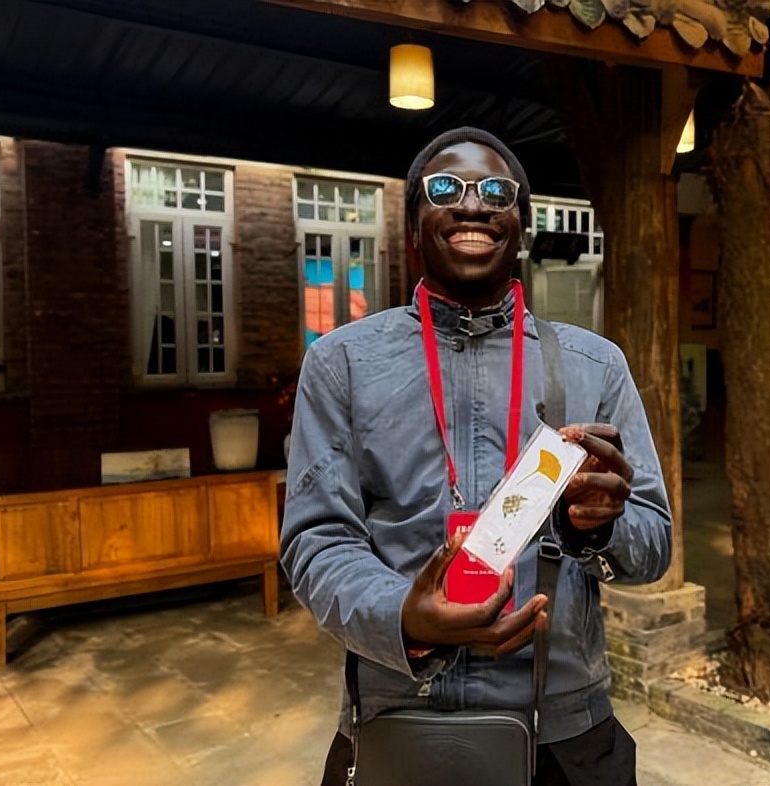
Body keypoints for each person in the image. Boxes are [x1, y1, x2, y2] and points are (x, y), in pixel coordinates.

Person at [280, 126, 672, 786]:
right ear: (412, 224)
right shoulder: (342, 364)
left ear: (521, 226)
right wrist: (403, 616)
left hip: (563, 731)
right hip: (400, 714)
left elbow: (654, 543)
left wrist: (596, 528)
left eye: (496, 192)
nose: (472, 205)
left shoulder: (595, 366)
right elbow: (315, 543)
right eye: (445, 189)